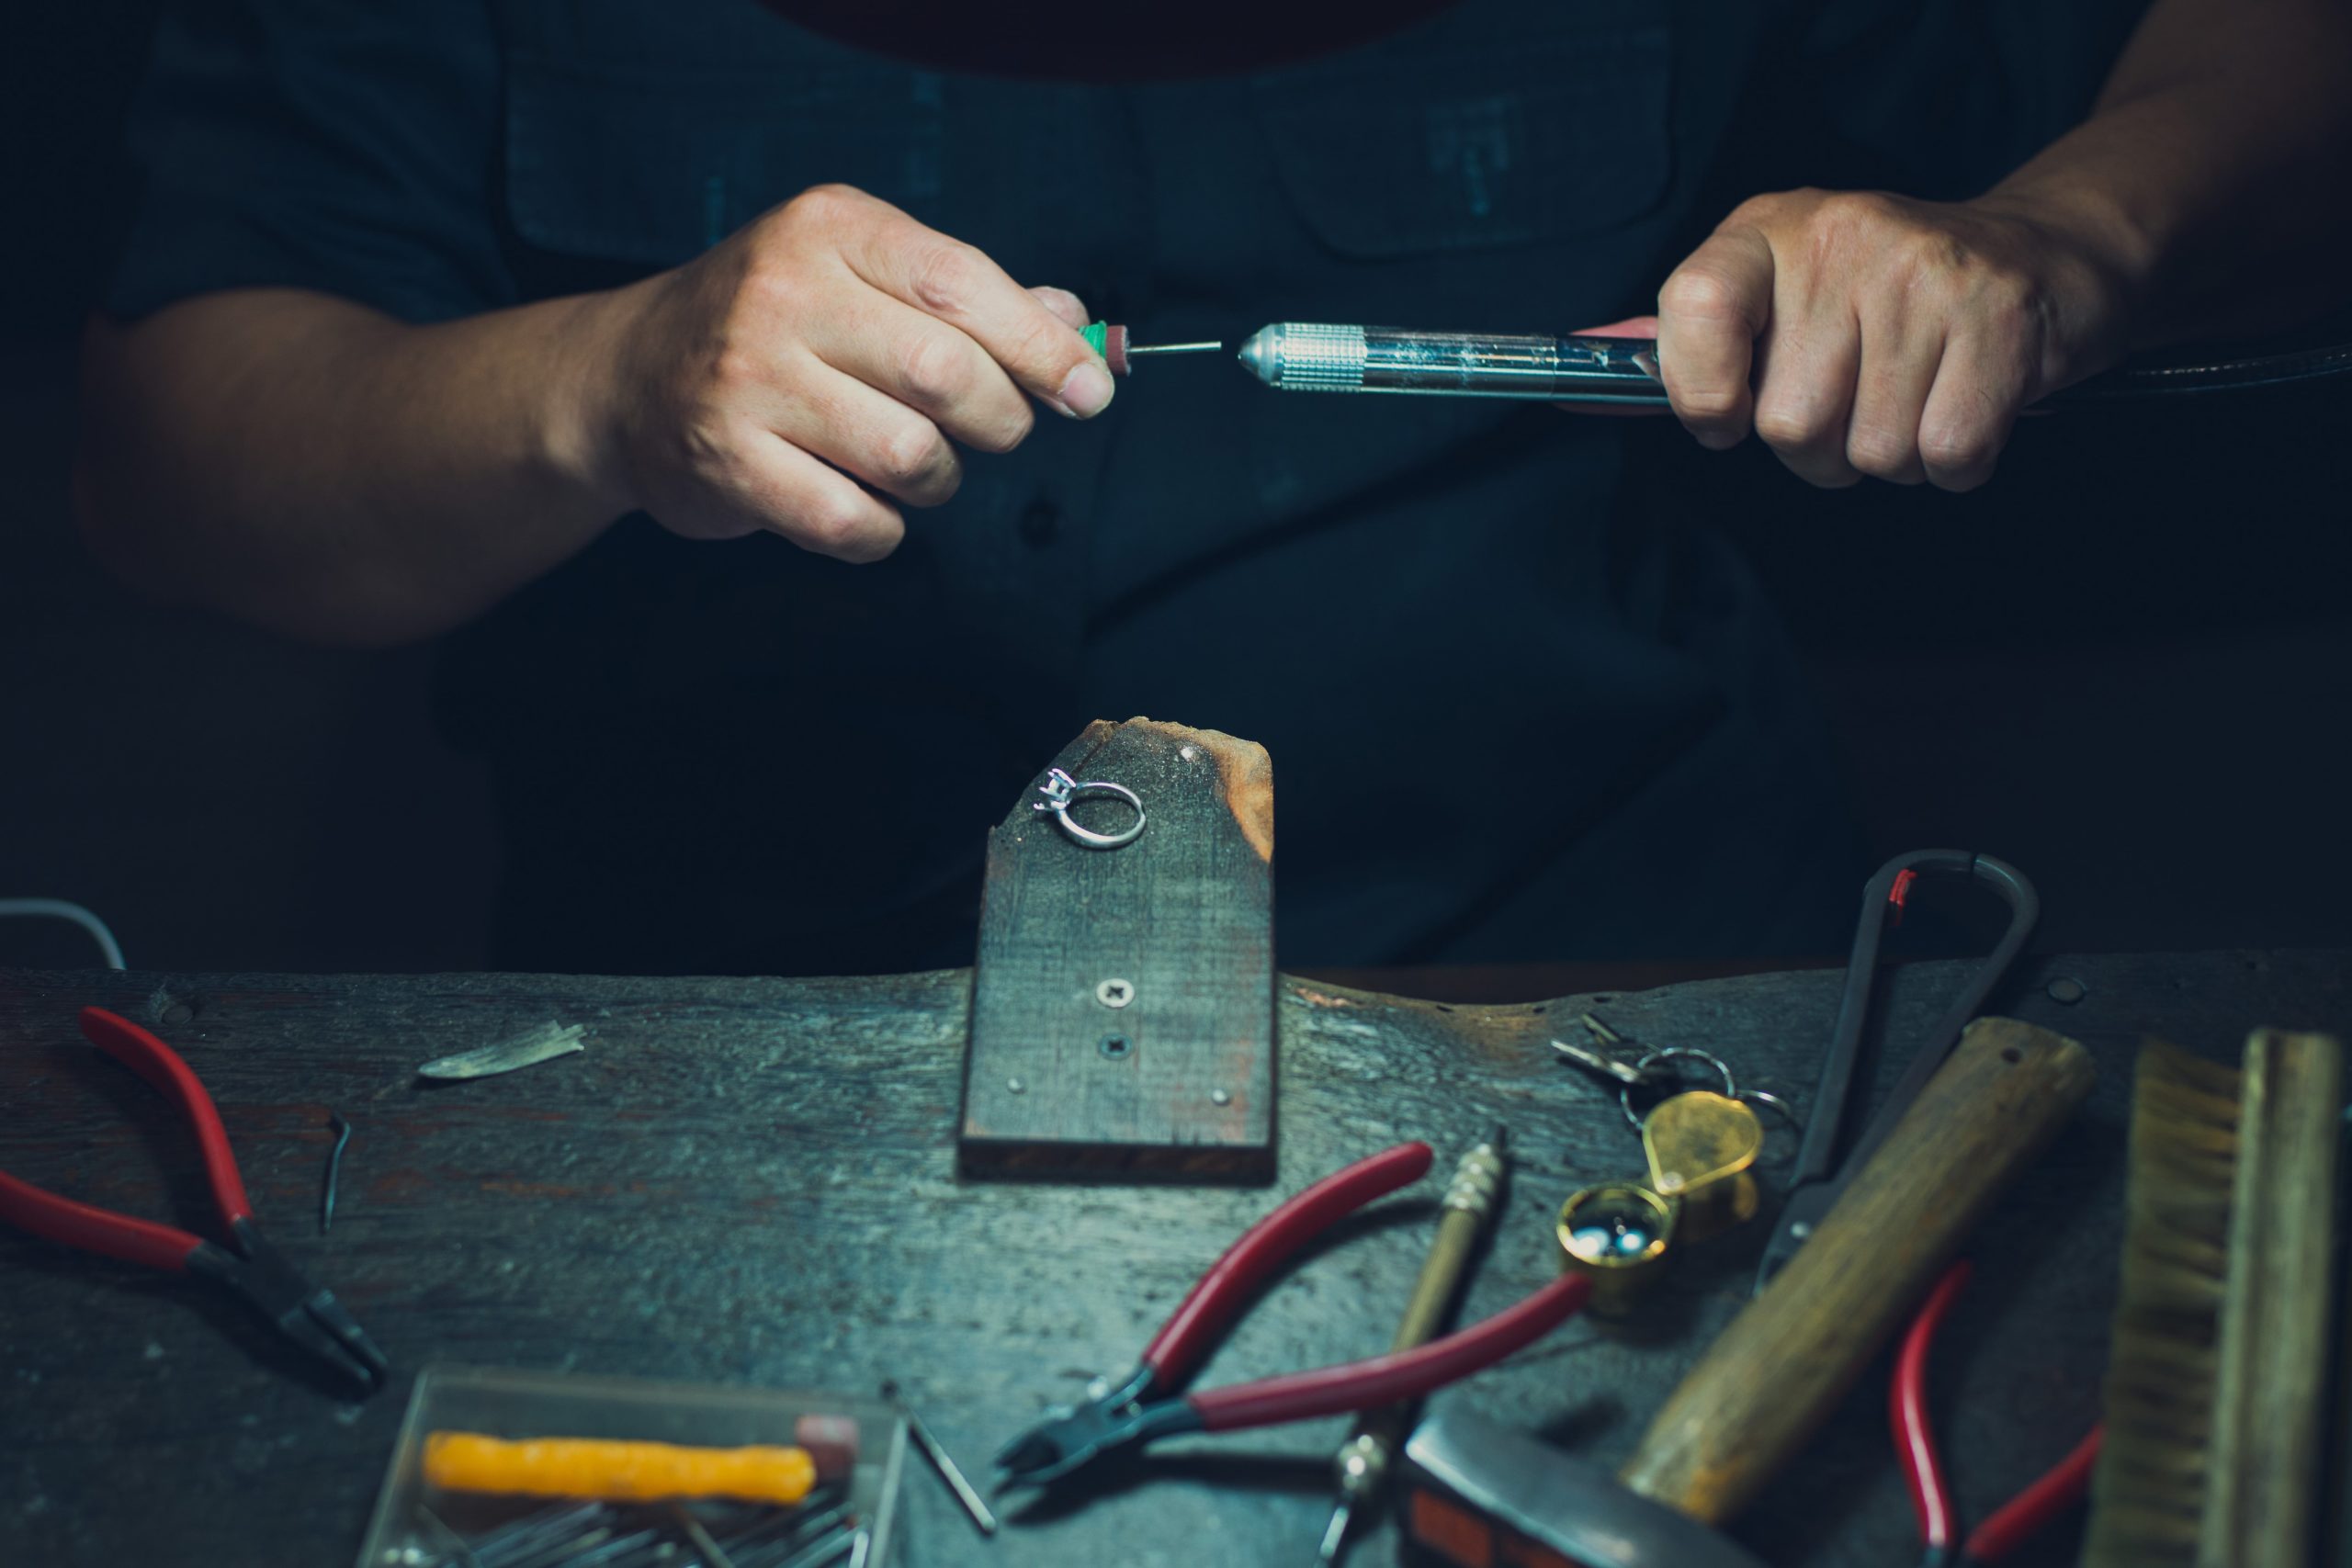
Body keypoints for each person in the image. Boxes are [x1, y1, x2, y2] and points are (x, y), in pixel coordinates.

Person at [75, 1, 2352, 976]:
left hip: (1594, 958)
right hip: (723, 980)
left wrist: (2056, 246)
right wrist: (601, 383)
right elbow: (177, 455)